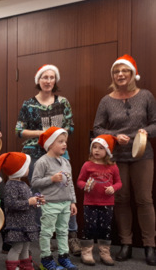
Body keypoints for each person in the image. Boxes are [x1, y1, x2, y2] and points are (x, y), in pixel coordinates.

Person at [93, 54, 156, 265]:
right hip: (116, 158)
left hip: (142, 156)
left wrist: (144, 131)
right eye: (116, 71)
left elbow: (155, 123)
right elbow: (97, 128)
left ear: (132, 74)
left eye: (124, 71)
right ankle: (126, 243)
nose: (120, 75)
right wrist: (111, 137)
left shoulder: (146, 96)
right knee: (121, 199)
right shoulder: (106, 100)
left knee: (144, 199)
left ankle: (149, 246)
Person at [15, 64, 80, 256]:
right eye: (44, 77)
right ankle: (45, 233)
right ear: (38, 80)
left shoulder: (63, 102)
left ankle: (71, 235)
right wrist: (43, 134)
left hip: (60, 153)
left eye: (52, 77)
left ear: (55, 80)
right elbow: (19, 131)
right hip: (35, 154)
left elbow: (71, 127)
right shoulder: (28, 104)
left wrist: (55, 137)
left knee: (65, 190)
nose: (48, 81)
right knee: (40, 193)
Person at [31, 127, 78, 270]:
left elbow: (70, 184)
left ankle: (63, 258)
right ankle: (46, 260)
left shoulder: (66, 162)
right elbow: (35, 182)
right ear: (50, 143)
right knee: (47, 232)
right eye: (61, 141)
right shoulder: (42, 162)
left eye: (65, 142)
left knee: (63, 231)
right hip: (50, 203)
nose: (65, 144)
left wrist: (73, 201)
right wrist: (51, 179)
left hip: (65, 203)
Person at [76, 134, 122, 266]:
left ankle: (104, 252)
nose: (96, 150)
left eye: (100, 148)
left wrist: (113, 188)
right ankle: (86, 252)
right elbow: (79, 181)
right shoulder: (87, 165)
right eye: (94, 147)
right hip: (90, 203)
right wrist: (85, 186)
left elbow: (119, 183)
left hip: (107, 204)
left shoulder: (113, 167)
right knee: (89, 227)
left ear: (107, 151)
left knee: (105, 228)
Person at [0, 152, 40, 270]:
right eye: (26, 166)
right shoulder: (11, 185)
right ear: (18, 169)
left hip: (27, 223)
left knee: (25, 247)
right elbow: (11, 204)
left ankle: (26, 265)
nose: (28, 169)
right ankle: (12, 266)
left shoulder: (23, 183)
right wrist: (29, 202)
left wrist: (37, 201)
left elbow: (27, 200)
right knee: (17, 247)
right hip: (17, 224)